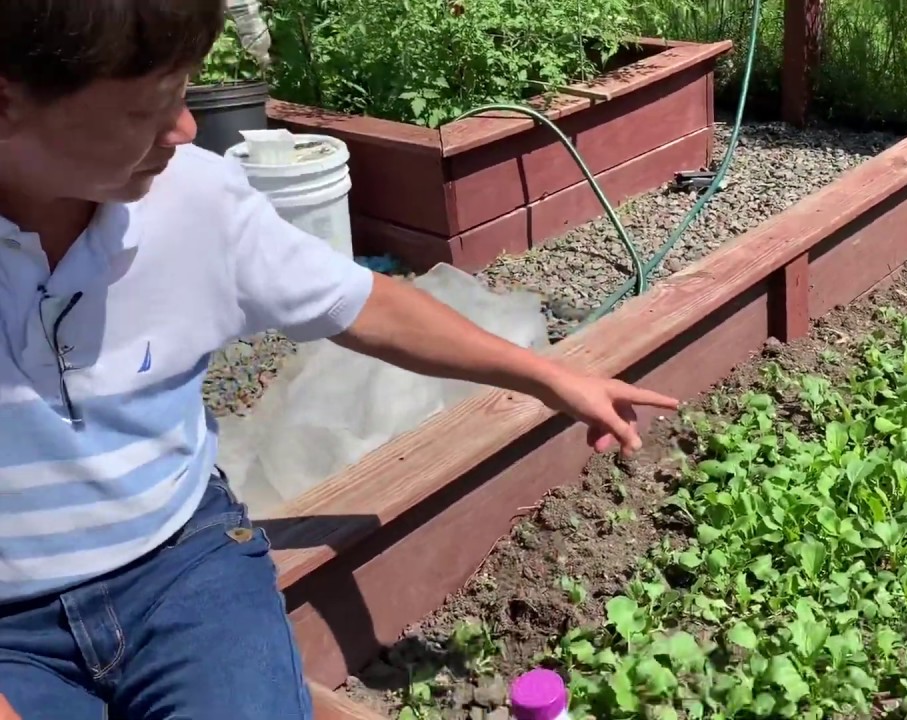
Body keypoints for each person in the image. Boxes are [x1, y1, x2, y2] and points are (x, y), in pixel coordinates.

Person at [0, 1, 679, 718]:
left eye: (185, 90)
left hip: (180, 564)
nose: (186, 129)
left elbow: (363, 305)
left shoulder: (193, 200)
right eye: (147, 109)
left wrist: (549, 376)